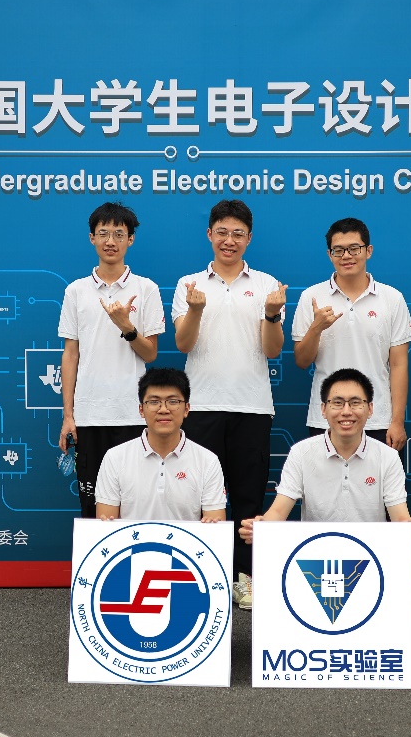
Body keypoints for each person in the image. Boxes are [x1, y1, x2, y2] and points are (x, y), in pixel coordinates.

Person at [171, 199, 286, 610]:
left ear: (249, 238)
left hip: (251, 407)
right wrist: (195, 310)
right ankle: (197, 578)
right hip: (201, 407)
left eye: (238, 233)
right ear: (209, 234)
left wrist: (271, 315)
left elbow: (272, 351)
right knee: (197, 497)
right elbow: (183, 343)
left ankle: (244, 579)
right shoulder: (189, 284)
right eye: (222, 232)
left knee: (248, 499)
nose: (229, 240)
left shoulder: (268, 285)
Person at [238, 368, 411, 610]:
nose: (346, 411)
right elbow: (278, 511)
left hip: (369, 561)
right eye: (337, 403)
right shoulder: (301, 453)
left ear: (370, 409)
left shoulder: (388, 456)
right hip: (314, 562)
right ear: (323, 409)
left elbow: (400, 517)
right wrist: (261, 527)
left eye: (355, 403)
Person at [58, 202, 165, 519]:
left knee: (135, 503)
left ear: (130, 239)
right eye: (103, 233)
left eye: (119, 234)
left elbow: (151, 353)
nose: (110, 241)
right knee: (92, 506)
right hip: (89, 416)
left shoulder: (146, 289)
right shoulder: (76, 291)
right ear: (92, 237)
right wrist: (68, 415)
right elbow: (71, 354)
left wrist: (126, 327)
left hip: (133, 415)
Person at [292, 217, 411, 453]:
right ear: (329, 255)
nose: (346, 256)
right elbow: (302, 360)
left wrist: (397, 421)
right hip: (326, 418)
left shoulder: (392, 298)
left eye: (354, 248)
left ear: (368, 251)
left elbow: (399, 365)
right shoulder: (311, 297)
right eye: (338, 250)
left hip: (377, 419)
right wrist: (316, 327)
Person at [94, 368, 227, 523]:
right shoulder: (115, 458)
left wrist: (212, 525)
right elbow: (106, 526)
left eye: (173, 401)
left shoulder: (208, 461)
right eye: (154, 402)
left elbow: (215, 528)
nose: (163, 409)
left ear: (186, 409)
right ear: (141, 410)